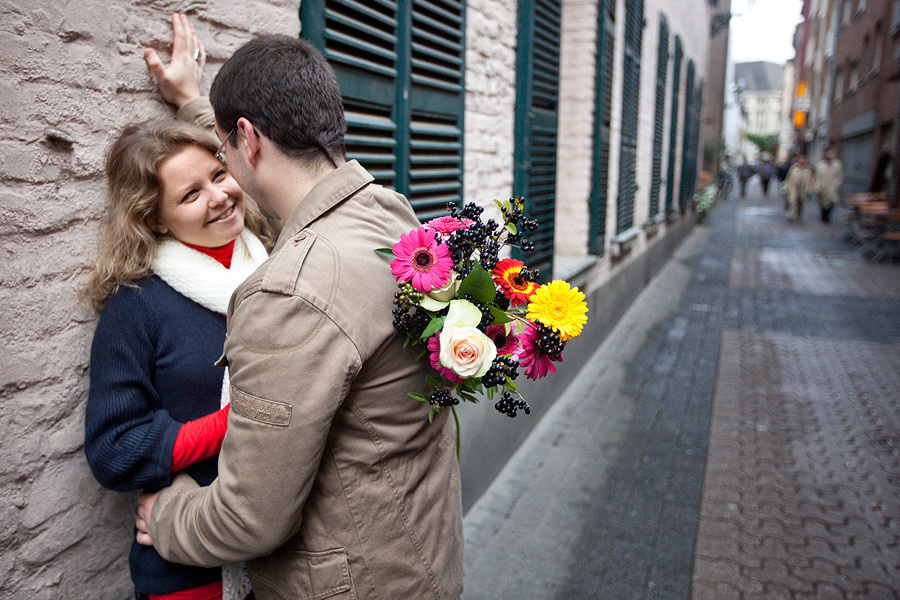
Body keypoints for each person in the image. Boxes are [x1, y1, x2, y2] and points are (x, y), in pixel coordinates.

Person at [135, 35, 464, 599]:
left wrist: (166, 514)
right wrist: (198, 104)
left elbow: (250, 517)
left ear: (249, 138)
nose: (223, 168)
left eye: (224, 149)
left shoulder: (289, 295)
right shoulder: (389, 215)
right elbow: (280, 182)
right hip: (420, 559)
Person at [82, 14, 274, 600]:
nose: (219, 197)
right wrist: (241, 421)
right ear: (154, 218)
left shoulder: (272, 262)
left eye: (219, 175)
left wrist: (192, 96)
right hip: (185, 567)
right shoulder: (137, 306)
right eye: (191, 194)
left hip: (281, 545)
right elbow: (115, 449)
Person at [815, 147, 844, 223]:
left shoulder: (838, 164)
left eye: (831, 154)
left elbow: (840, 176)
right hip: (822, 187)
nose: (830, 155)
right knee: (823, 203)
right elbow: (818, 177)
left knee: (832, 202)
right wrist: (817, 187)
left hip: (832, 188)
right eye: (828, 154)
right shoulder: (820, 165)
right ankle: (823, 215)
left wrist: (837, 185)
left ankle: (827, 216)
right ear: (825, 155)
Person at [785, 153, 815, 223]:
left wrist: (809, 190)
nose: (802, 160)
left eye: (804, 159)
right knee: (792, 203)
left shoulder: (808, 170)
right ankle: (791, 216)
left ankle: (799, 216)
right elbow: (788, 178)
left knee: (800, 204)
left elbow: (811, 181)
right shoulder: (793, 168)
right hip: (793, 189)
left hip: (803, 190)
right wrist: (787, 189)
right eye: (800, 159)